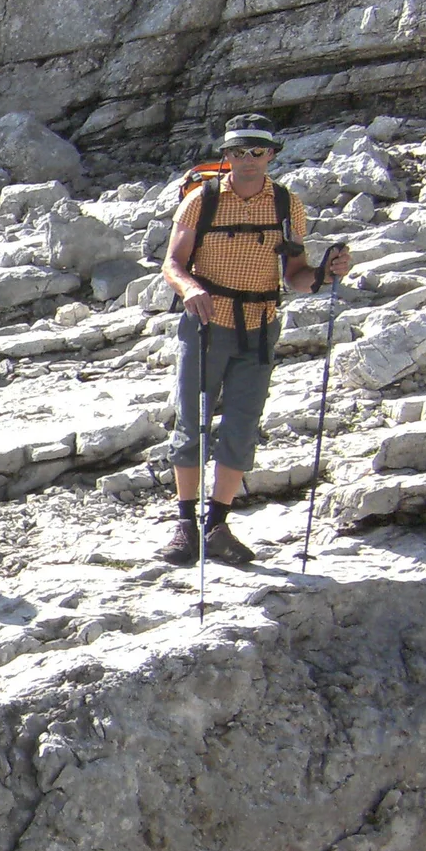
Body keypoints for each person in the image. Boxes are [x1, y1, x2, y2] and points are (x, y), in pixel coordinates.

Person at [158, 112, 352, 567]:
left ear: (271, 155)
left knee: (243, 425)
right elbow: (173, 263)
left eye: (257, 151)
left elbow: (296, 275)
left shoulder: (288, 205)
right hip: (205, 323)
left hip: (261, 325)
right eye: (238, 151)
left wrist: (325, 274)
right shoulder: (199, 202)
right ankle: (186, 524)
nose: (248, 160)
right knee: (192, 421)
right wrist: (191, 289)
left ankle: (217, 525)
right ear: (226, 156)